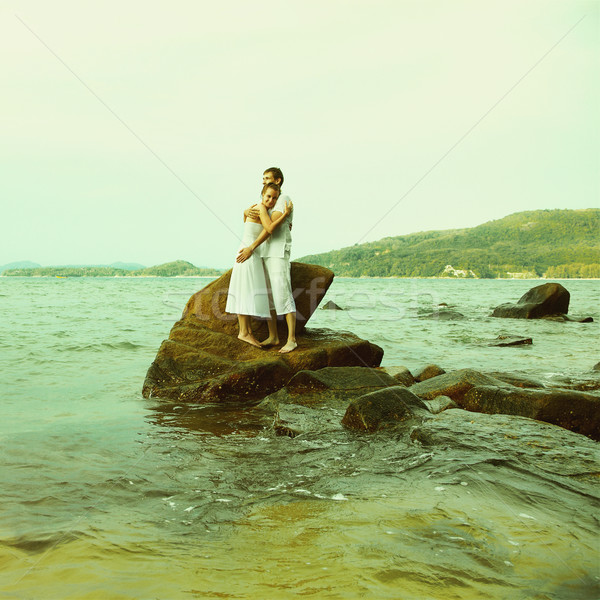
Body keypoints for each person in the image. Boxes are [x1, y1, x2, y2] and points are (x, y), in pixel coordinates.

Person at [237, 167, 297, 353]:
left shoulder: (283, 199)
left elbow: (270, 226)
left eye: (267, 178)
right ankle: (273, 336)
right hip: (266, 252)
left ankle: (292, 339)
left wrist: (286, 216)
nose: (263, 181)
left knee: (283, 293)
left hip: (277, 252)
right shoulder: (268, 202)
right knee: (270, 295)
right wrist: (245, 211)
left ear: (278, 181)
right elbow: (253, 219)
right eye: (262, 178)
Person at [225, 182, 292, 348]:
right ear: (262, 195)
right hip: (248, 252)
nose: (270, 200)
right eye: (268, 196)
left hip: (248, 251)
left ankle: (247, 331)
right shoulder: (261, 208)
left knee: (246, 291)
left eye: (274, 198)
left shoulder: (256, 208)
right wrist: (285, 215)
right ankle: (244, 333)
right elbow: (269, 228)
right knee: (245, 292)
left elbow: (248, 222)